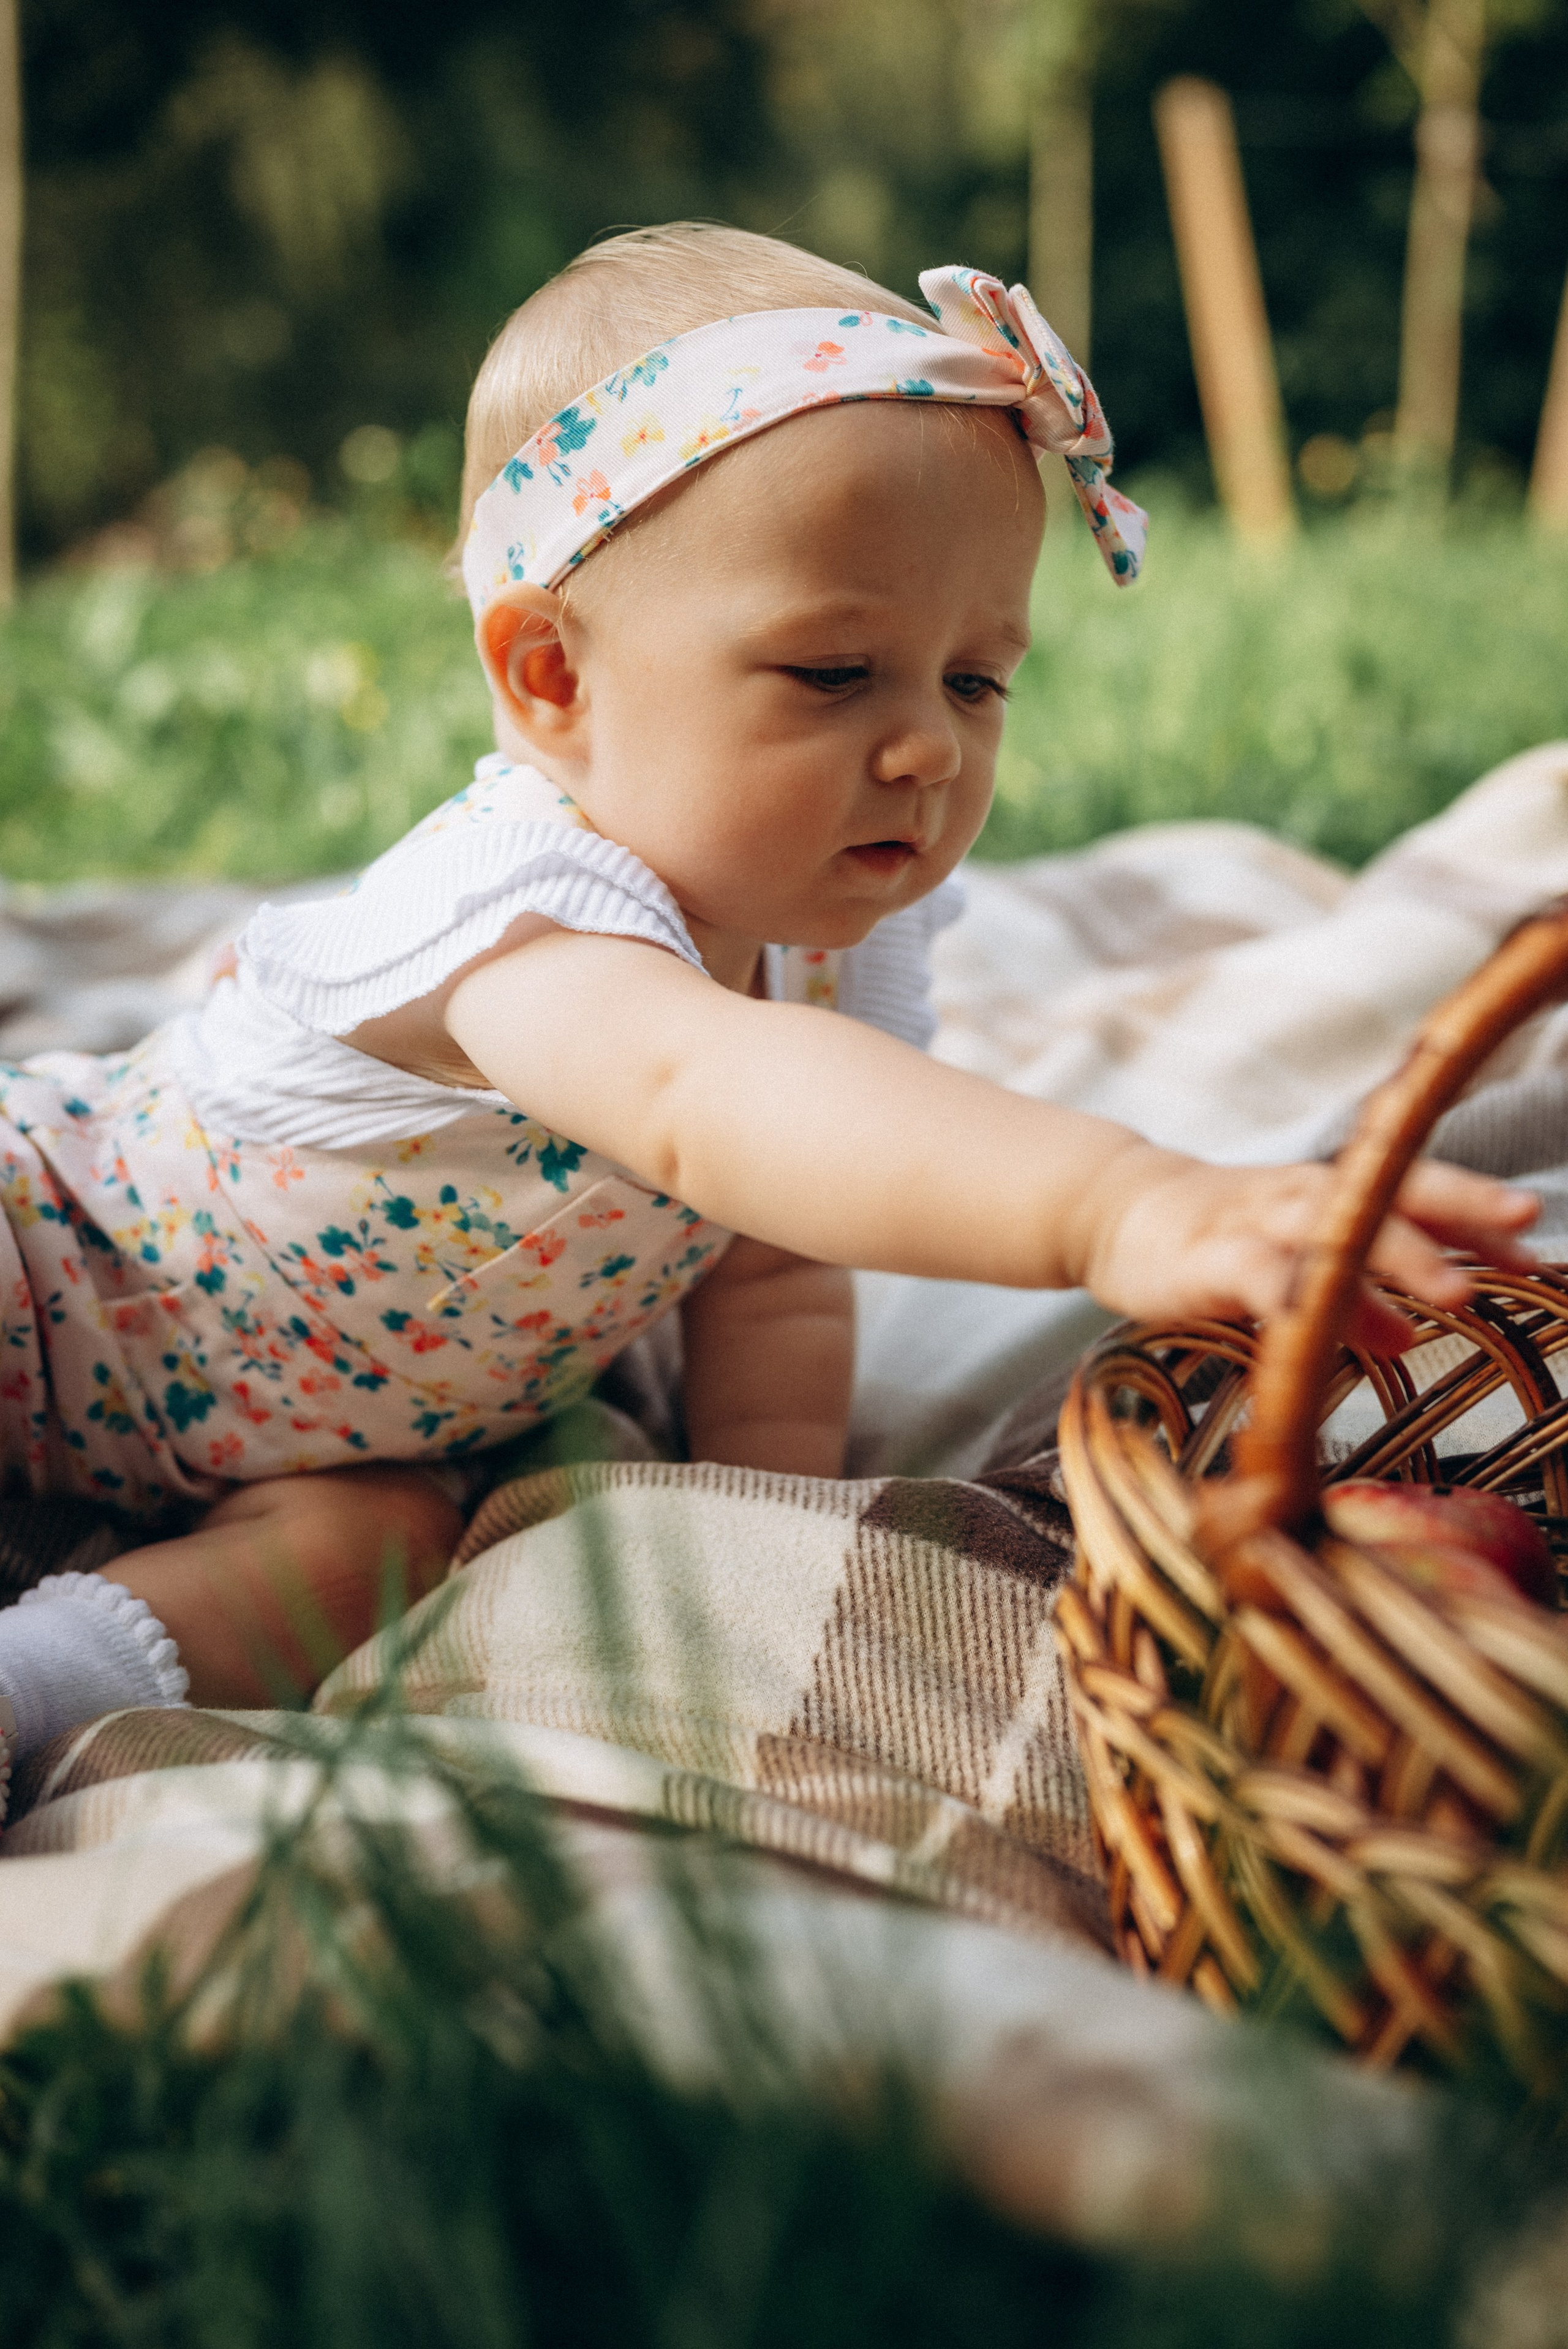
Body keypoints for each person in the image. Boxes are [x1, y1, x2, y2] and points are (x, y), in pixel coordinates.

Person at [0, 223, 1537, 1801]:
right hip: (58, 1256)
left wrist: (759, 1529)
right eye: (831, 672)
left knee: (375, 1567)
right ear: (550, 682)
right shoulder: (527, 911)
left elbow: (774, 1251)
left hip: (337, 1439)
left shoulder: (828, 943)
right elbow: (708, 1101)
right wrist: (1121, 1203)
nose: (929, 748)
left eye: (975, 680)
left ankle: (34, 1688)